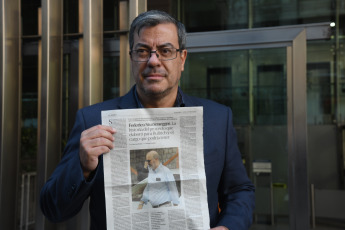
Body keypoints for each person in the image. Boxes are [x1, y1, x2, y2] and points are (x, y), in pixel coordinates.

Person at [40, 10, 255, 230]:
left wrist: (228, 227)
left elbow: (239, 191)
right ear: (131, 57)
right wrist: (82, 167)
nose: (153, 61)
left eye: (165, 50)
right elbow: (52, 209)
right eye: (143, 51)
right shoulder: (93, 121)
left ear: (182, 59)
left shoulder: (217, 119)